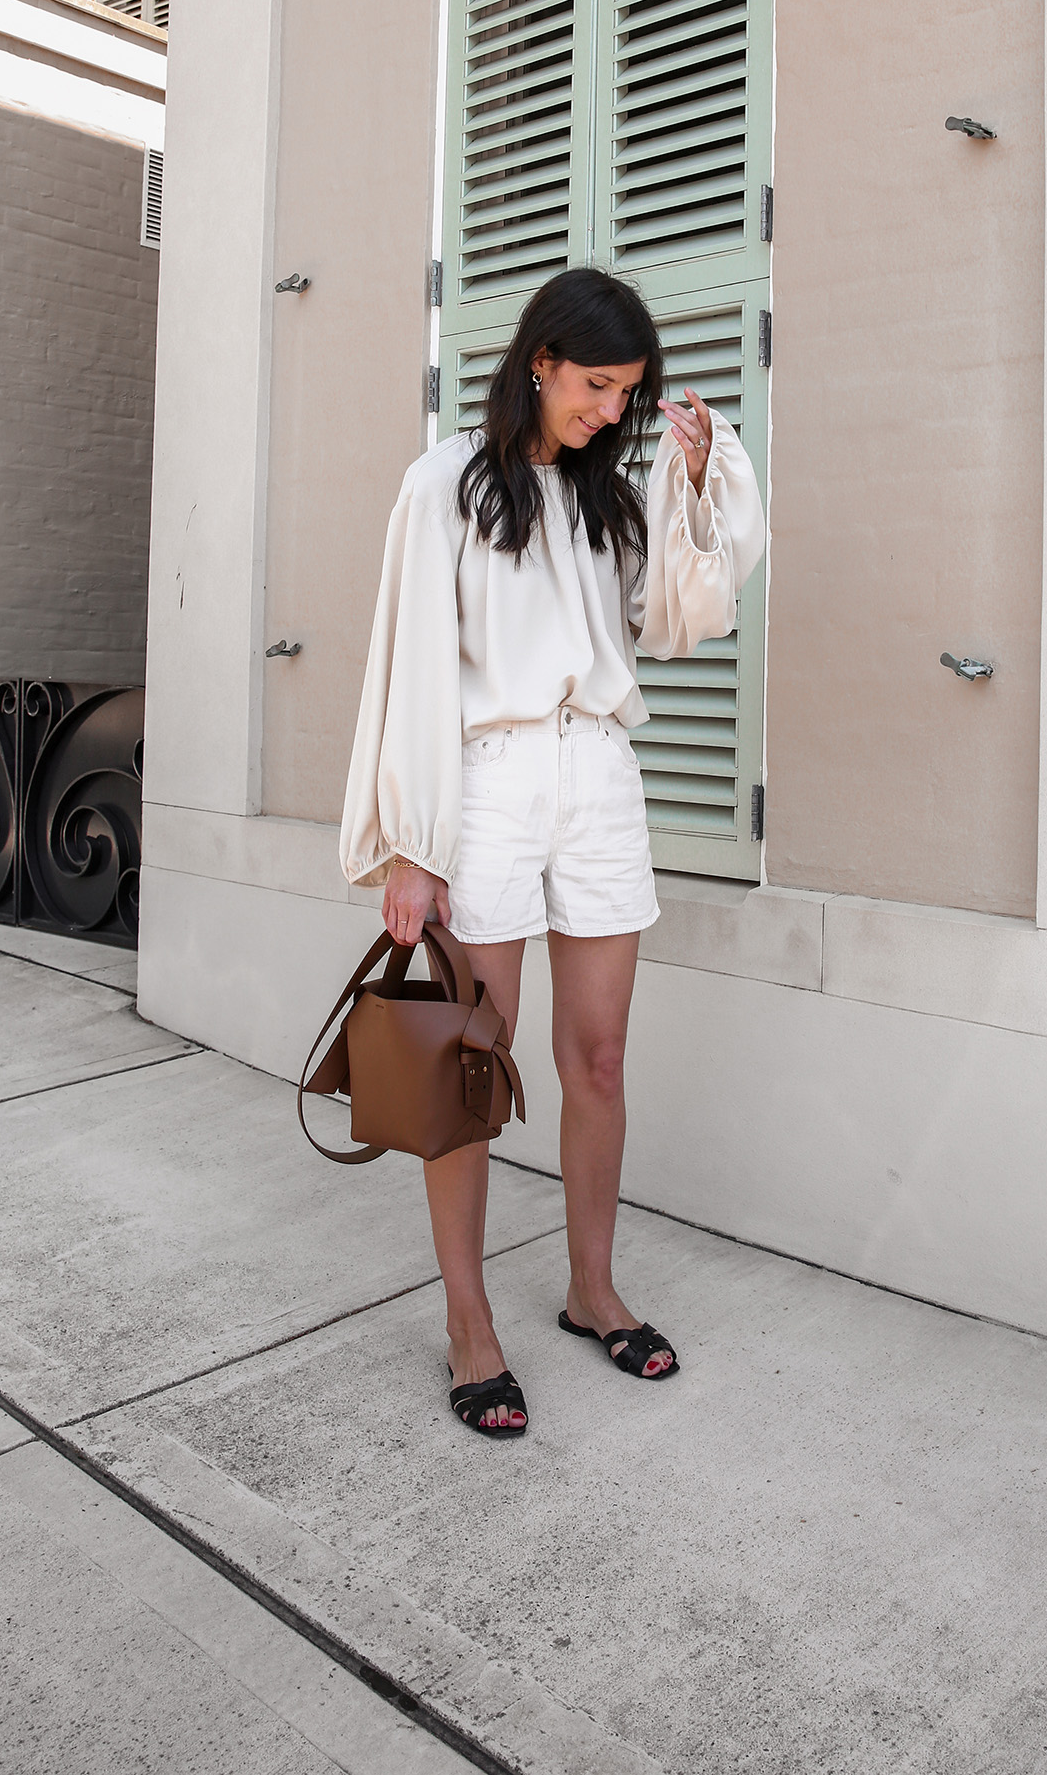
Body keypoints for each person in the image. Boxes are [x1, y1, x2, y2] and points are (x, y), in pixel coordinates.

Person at [340, 267, 764, 1438]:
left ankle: (590, 1288)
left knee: (601, 1058)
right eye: (593, 385)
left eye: (627, 394)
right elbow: (410, 668)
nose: (606, 412)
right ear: (539, 361)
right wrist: (411, 848)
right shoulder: (445, 486)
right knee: (470, 1065)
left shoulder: (603, 501)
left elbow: (685, 617)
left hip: (597, 778)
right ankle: (469, 1323)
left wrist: (687, 480)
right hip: (486, 782)